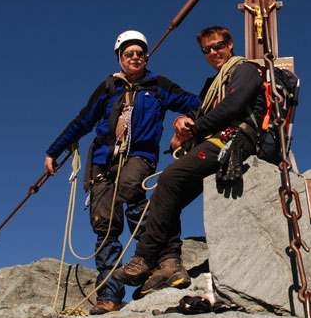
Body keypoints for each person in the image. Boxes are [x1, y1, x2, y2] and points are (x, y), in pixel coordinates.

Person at [44, 30, 200, 314]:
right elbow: (84, 120)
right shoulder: (108, 88)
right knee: (105, 226)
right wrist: (55, 150)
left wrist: (189, 121)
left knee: (133, 193)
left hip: (140, 154)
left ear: (146, 57)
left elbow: (193, 102)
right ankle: (109, 295)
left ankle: (154, 265)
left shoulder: (158, 85)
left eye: (140, 53)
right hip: (104, 161)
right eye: (129, 53)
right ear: (120, 57)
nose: (135, 57)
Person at [114, 25, 266, 295]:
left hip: (233, 139)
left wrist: (194, 130)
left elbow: (233, 107)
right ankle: (169, 263)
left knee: (171, 179)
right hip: (216, 140)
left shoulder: (245, 71)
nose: (213, 52)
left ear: (230, 45)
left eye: (218, 46)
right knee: (168, 194)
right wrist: (183, 123)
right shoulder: (214, 83)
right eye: (207, 49)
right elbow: (199, 110)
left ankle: (146, 257)